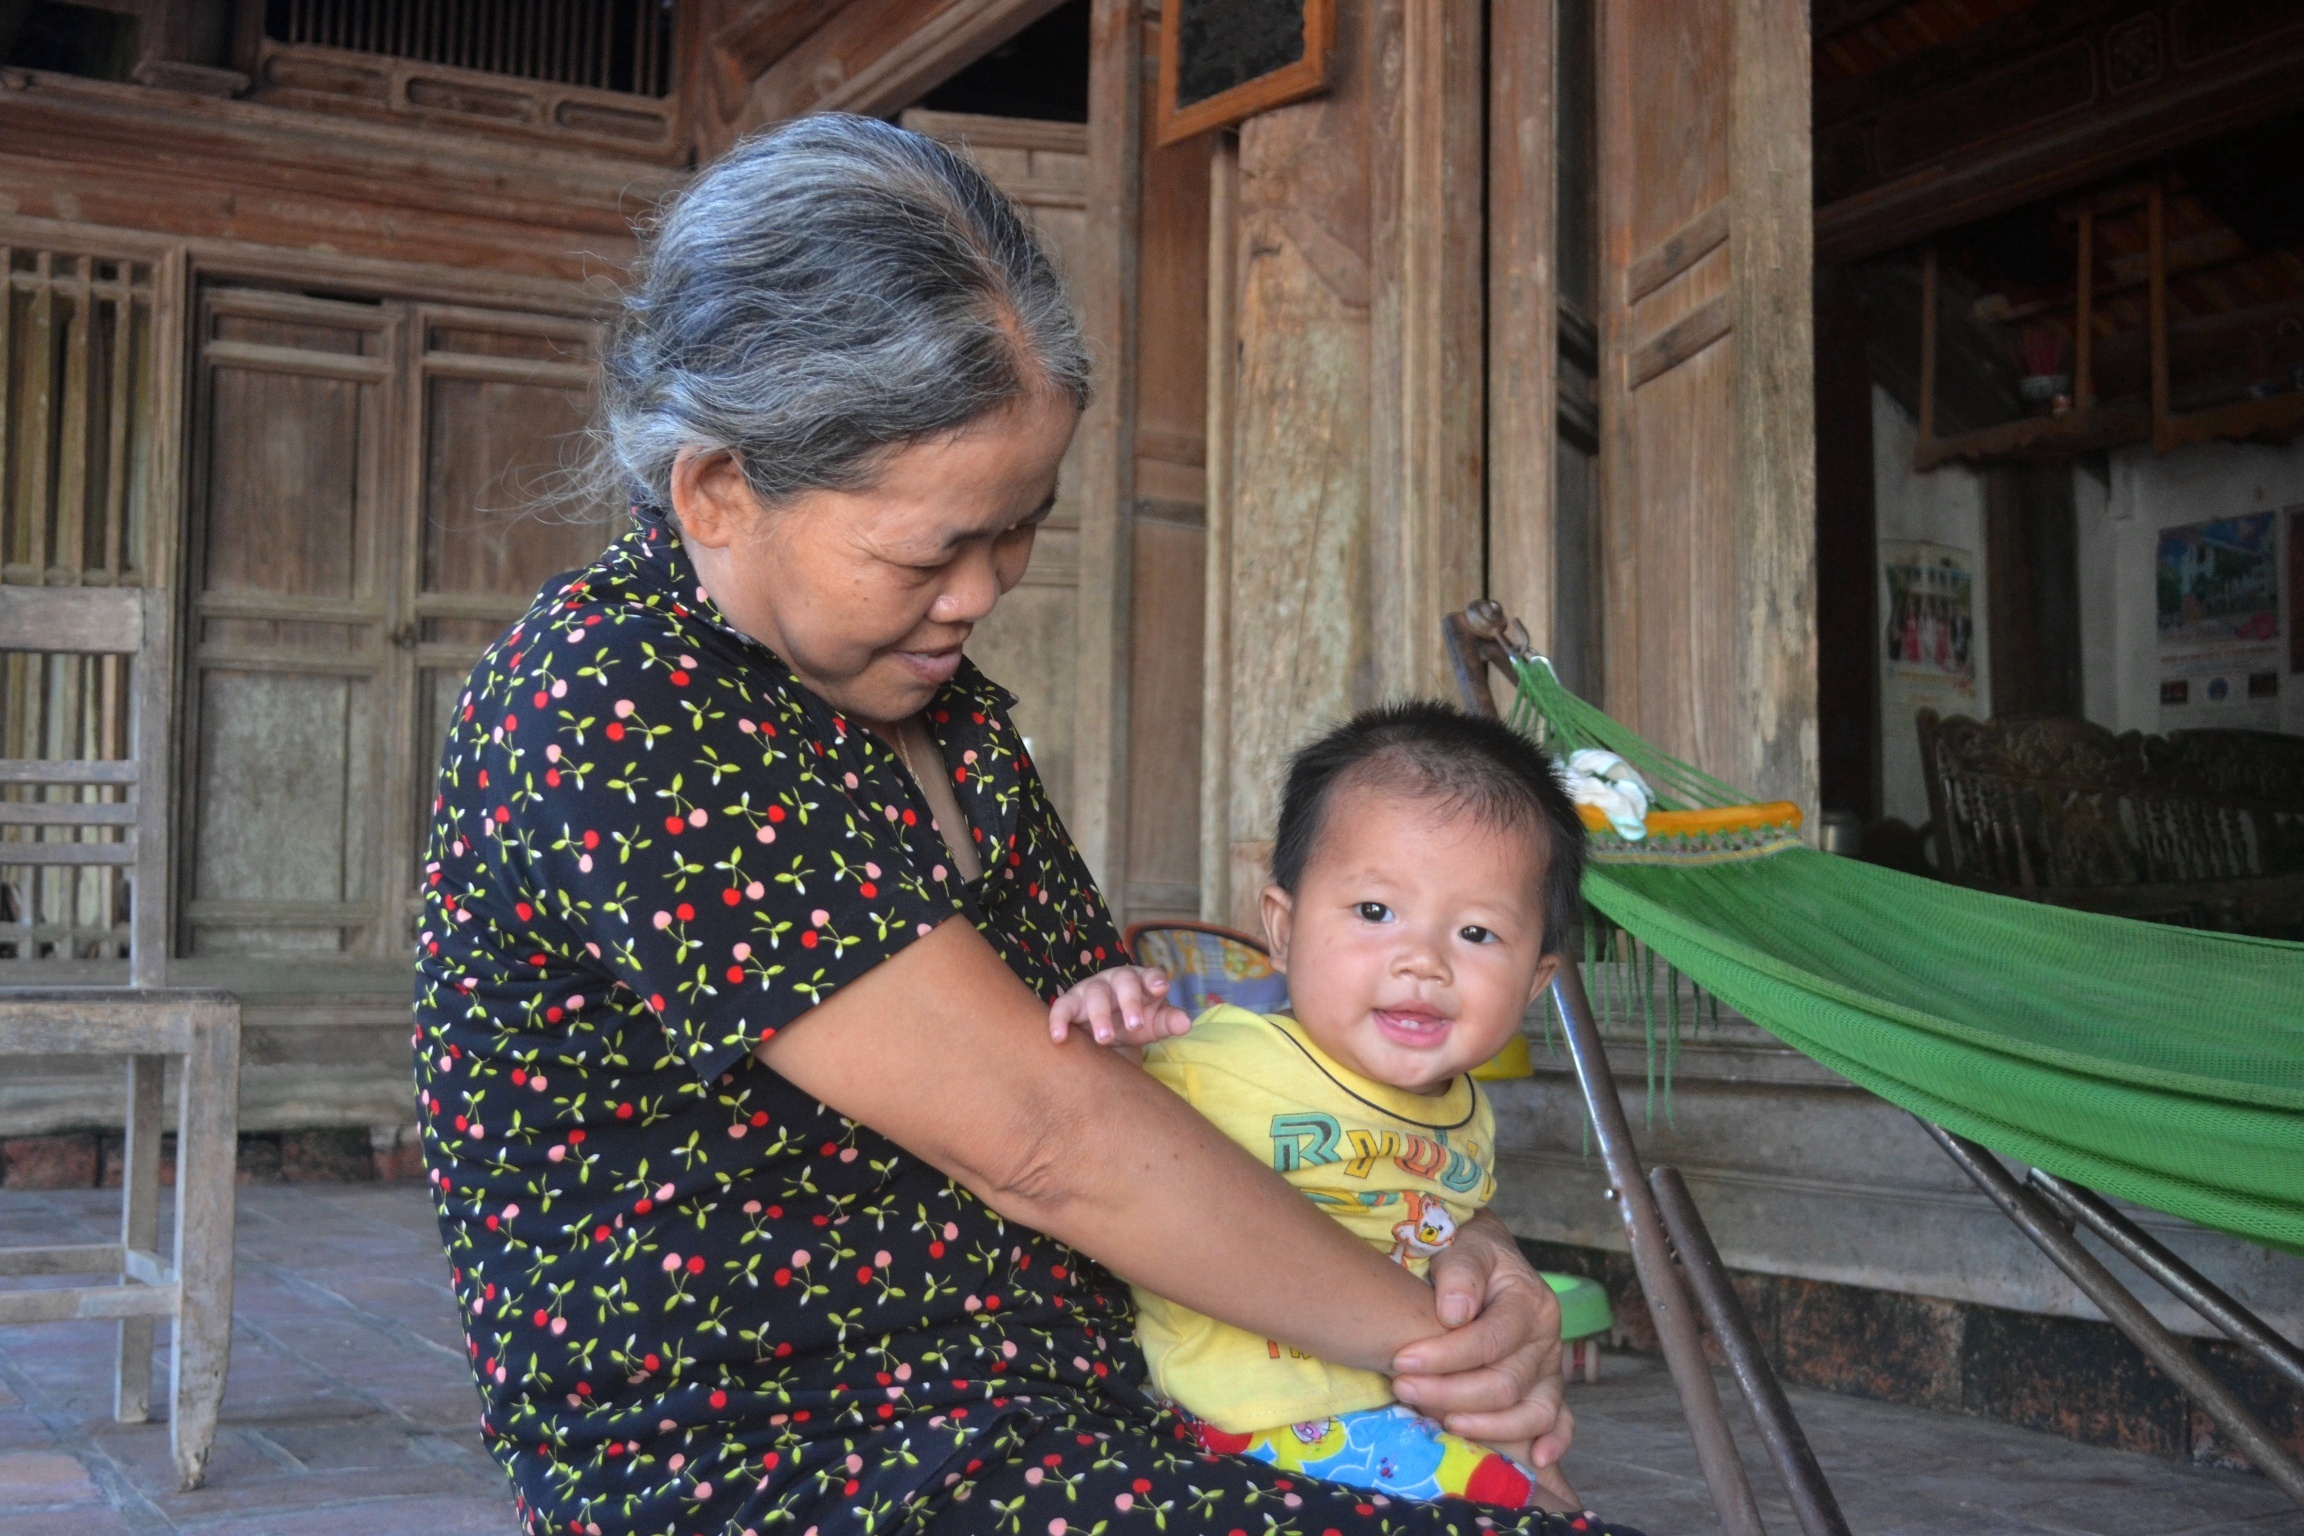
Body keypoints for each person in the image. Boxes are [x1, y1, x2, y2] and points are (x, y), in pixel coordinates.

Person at [413, 114, 1632, 1536]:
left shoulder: (947, 714)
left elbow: (1147, 1074)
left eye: (1021, 529)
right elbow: (1048, 1137)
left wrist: (1438, 1232)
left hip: (1069, 1399)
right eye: (934, 548)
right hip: (807, 1460)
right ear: (720, 490)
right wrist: (1444, 1349)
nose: (986, 591)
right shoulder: (612, 698)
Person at [1047, 703, 1588, 1513]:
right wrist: (1107, 1014)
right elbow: (1086, 1116)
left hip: (1401, 1410)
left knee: (1544, 1482)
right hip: (1261, 1424)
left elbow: (1454, 1229)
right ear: (1283, 927)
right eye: (1375, 913)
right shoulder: (1219, 1055)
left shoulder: (1465, 1112)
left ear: (1536, 981)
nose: (1422, 962)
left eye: (1477, 933)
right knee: (1537, 1506)